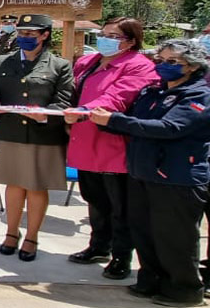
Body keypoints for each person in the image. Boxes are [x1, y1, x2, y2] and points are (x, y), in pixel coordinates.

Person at [89, 39, 210, 306]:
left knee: (175, 237)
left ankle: (184, 290)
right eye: (161, 60)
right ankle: (150, 280)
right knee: (144, 231)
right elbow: (135, 122)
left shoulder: (198, 96)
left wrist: (116, 120)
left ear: (191, 67)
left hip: (177, 177)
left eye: (172, 62)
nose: (164, 67)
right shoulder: (153, 92)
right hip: (143, 172)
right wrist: (105, 121)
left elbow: (169, 128)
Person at [63, 17, 158, 280]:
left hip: (113, 141)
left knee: (120, 206)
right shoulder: (88, 62)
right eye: (104, 34)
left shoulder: (139, 66)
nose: (106, 39)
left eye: (114, 36)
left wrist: (84, 111)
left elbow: (119, 96)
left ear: (131, 40)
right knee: (94, 199)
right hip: (84, 138)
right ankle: (98, 245)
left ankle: (121, 256)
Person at [0, 14, 74, 262]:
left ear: (44, 35)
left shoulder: (59, 65)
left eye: (31, 34)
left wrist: (44, 114)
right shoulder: (2, 62)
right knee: (13, 185)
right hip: (10, 131)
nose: (24, 38)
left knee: (35, 187)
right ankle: (11, 233)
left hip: (42, 134)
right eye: (21, 34)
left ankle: (32, 237)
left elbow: (63, 100)